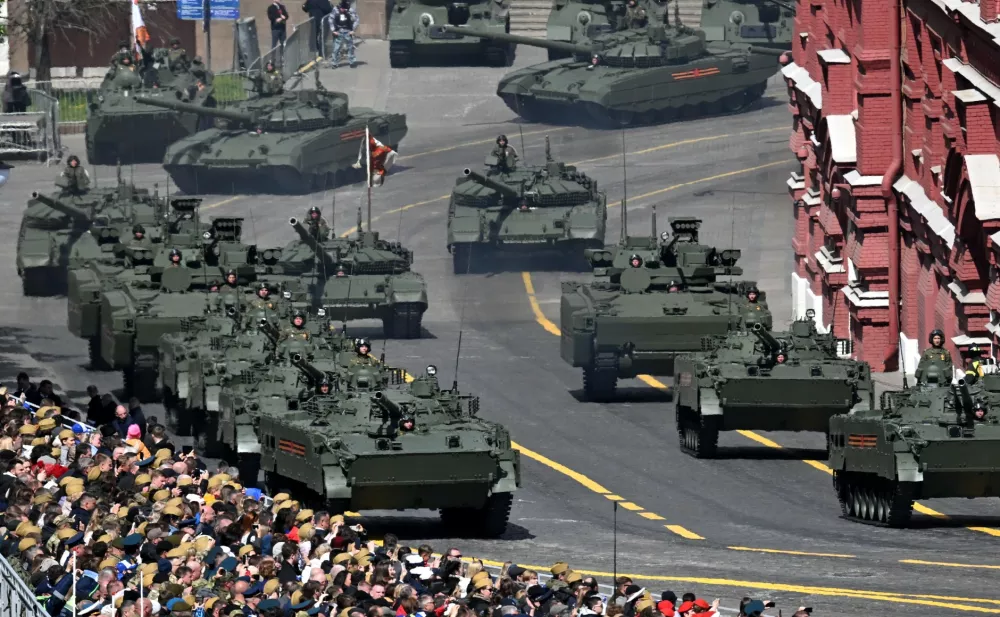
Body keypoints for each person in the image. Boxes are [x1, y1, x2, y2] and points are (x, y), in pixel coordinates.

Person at [330, 1, 357, 68]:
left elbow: (356, 19)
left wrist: (353, 30)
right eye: (342, 8)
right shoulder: (335, 10)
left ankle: (352, 62)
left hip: (347, 31)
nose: (343, 10)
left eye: (344, 8)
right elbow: (331, 19)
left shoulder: (350, 10)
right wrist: (333, 30)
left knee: (350, 47)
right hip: (338, 31)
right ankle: (334, 63)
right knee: (336, 48)